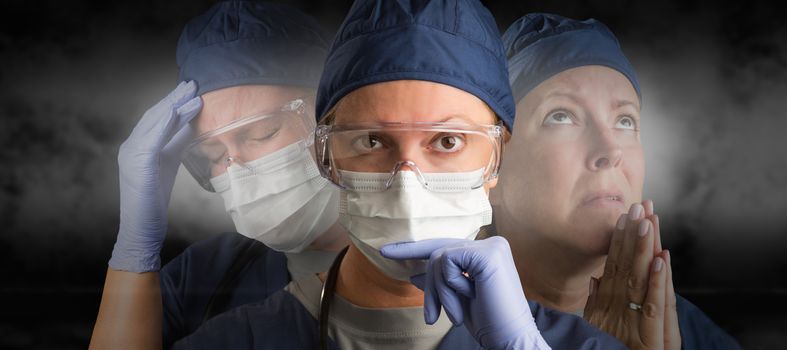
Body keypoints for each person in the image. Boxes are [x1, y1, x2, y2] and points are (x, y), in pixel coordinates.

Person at [171, 0, 626, 349]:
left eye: (447, 141)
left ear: (497, 159)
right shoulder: (235, 338)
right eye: (371, 141)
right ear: (325, 158)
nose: (407, 184)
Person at [89, 2, 349, 349]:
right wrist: (133, 249)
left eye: (262, 133)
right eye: (213, 155)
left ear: (331, 118)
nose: (236, 171)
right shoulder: (206, 274)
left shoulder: (433, 263)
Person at [494, 13, 742, 349]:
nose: (610, 150)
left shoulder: (698, 338)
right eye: (561, 116)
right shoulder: (429, 328)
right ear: (493, 165)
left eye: (625, 121)